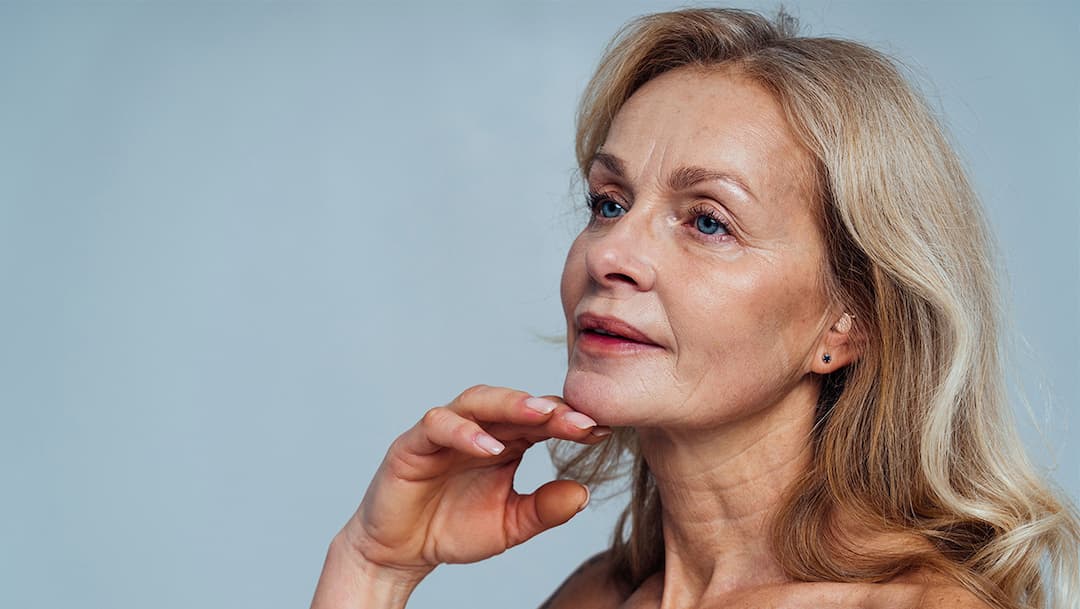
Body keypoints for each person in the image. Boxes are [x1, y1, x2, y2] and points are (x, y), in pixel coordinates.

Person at [310, 8, 1080, 609]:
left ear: (848, 322)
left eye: (708, 220)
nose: (610, 254)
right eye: (608, 202)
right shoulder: (597, 597)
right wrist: (373, 567)